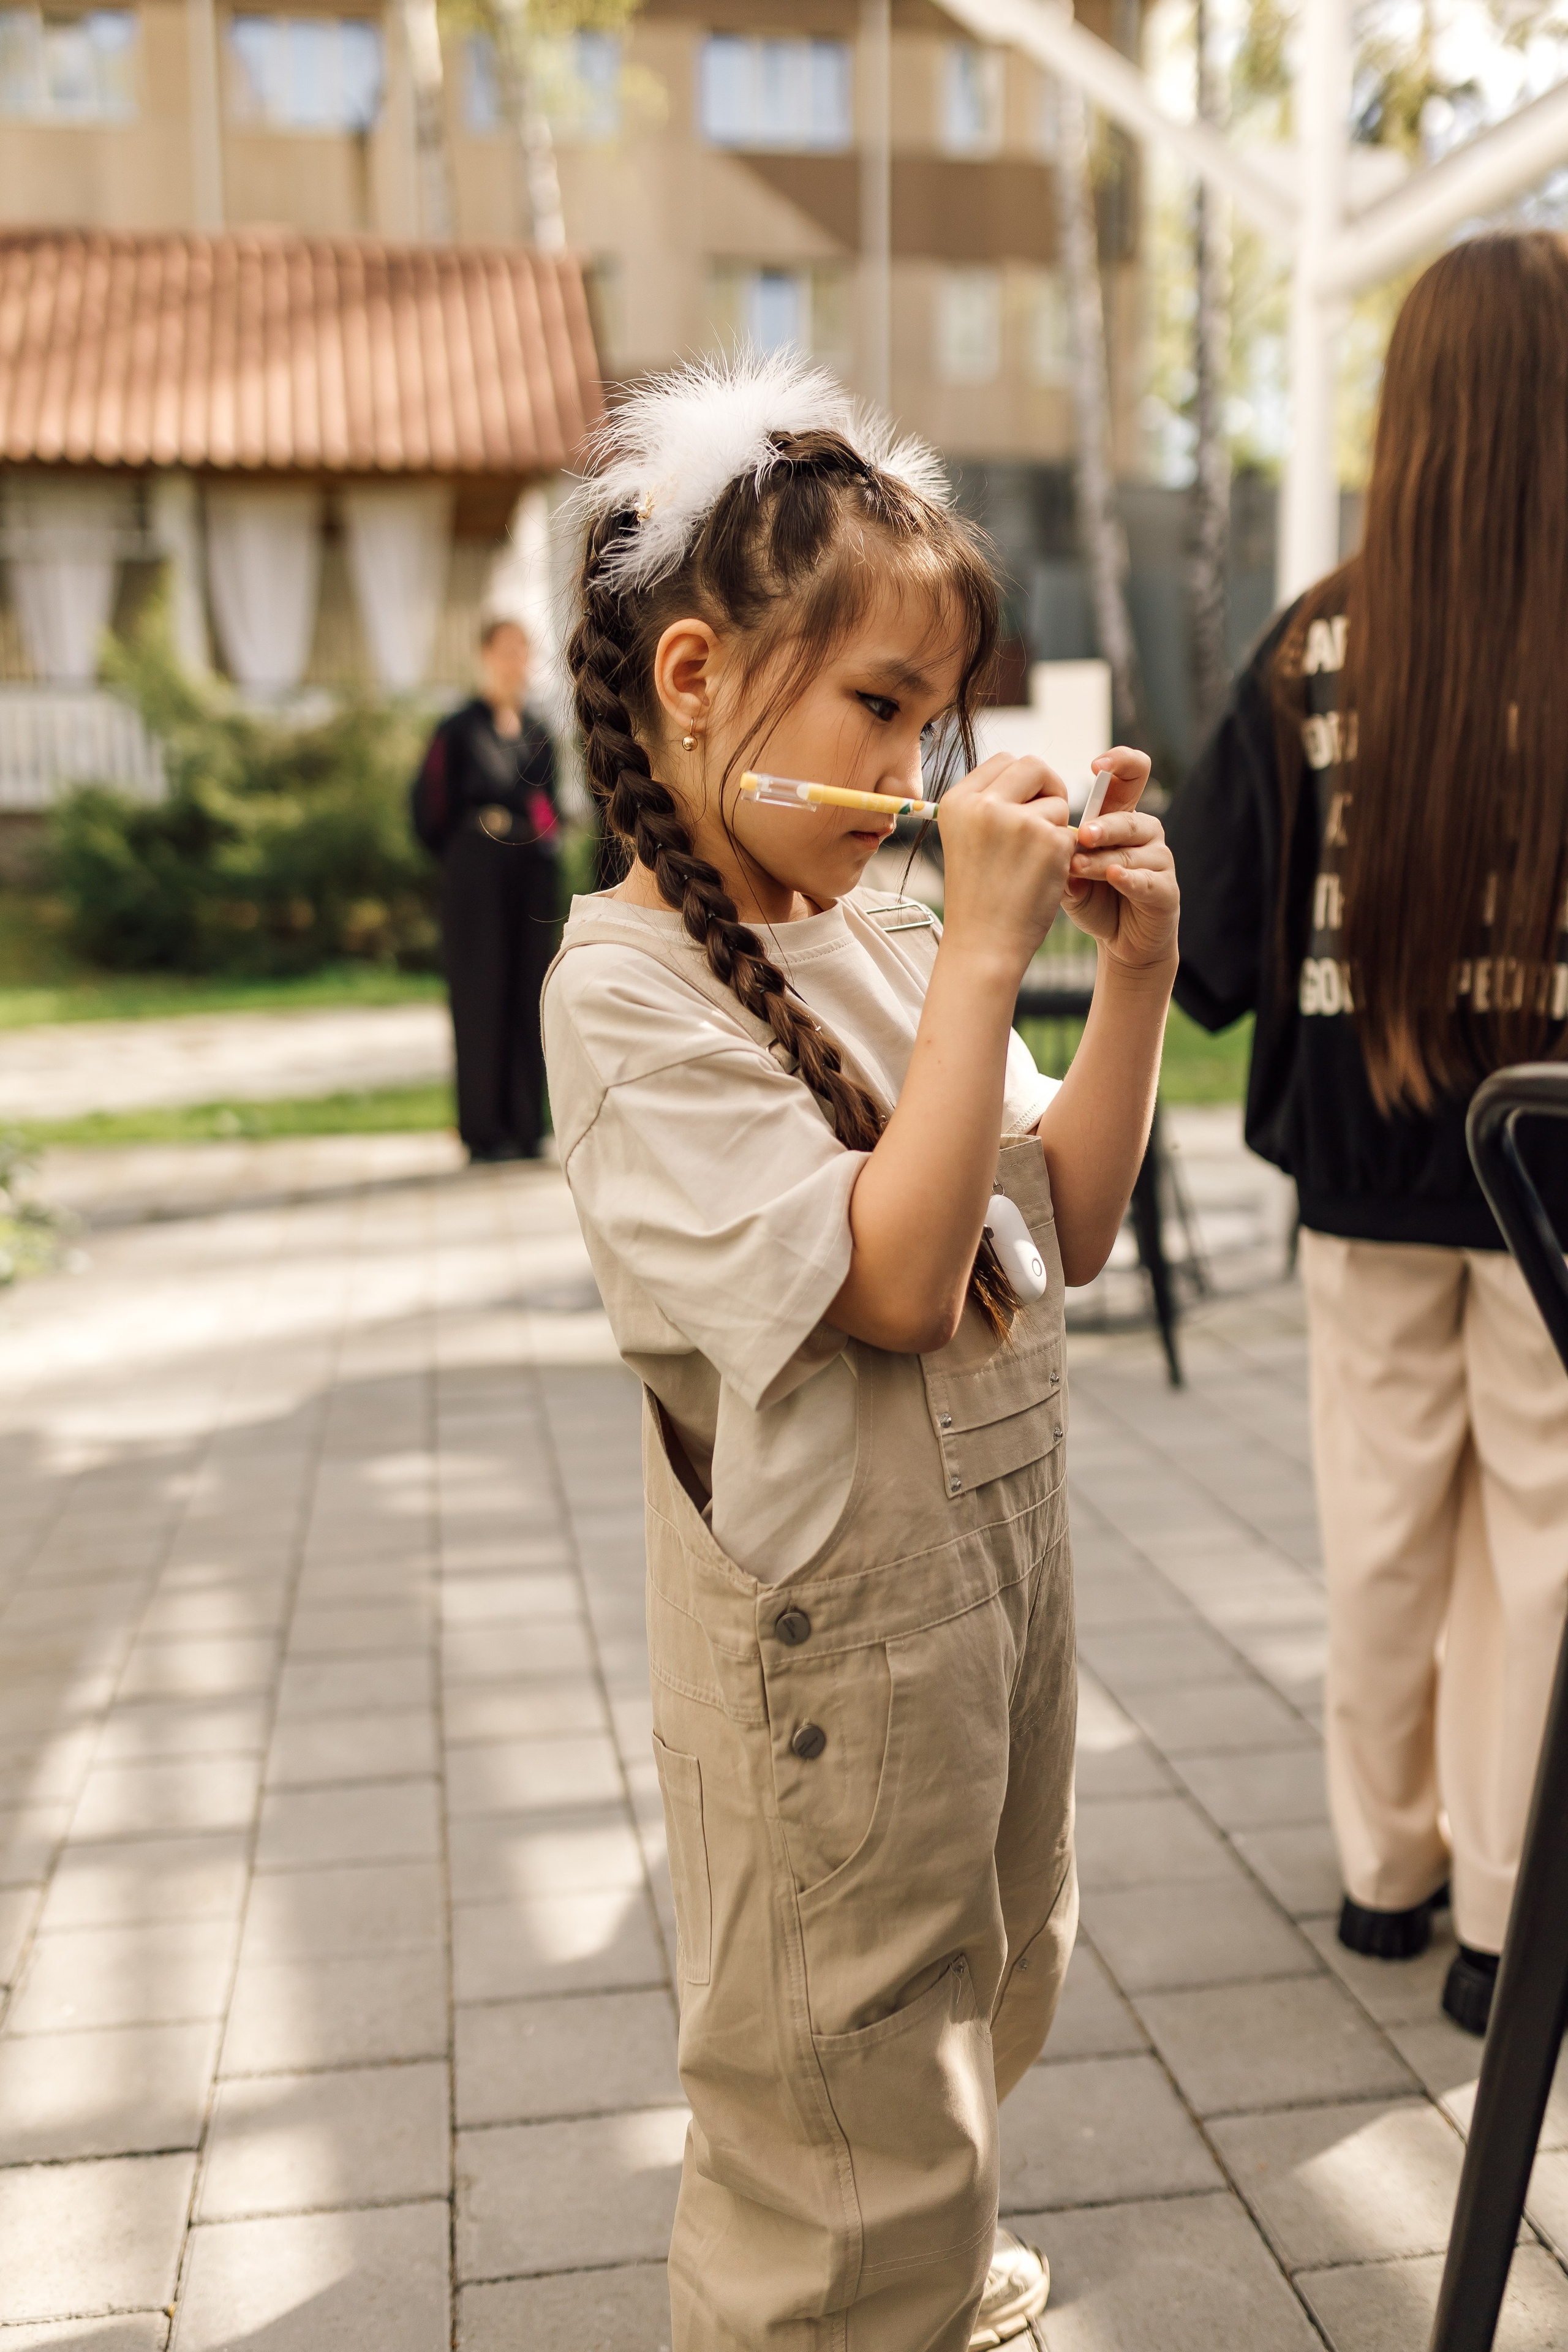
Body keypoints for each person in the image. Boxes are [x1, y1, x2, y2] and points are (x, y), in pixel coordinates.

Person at [541, 351, 1179, 2351]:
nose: (916, 766)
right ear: (702, 681)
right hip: (830, 1651)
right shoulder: (624, 995)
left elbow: (1057, 1214)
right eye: (881, 707)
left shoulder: (881, 931)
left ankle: (945, 2300)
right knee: (834, 2140)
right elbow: (897, 1285)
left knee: (974, 2023)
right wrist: (989, 945)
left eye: (936, 714)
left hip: (987, 1607)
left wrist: (1129, 973)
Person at [1168, 232, 1568, 2038]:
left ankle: (1383, 1876)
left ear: (1407, 416)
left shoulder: (1309, 645)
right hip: (1554, 1173)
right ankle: (1509, 1916)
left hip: (1366, 1150)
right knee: (1544, 1541)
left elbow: (1213, 931)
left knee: (1381, 1520)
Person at [411, 615, 560, 1161]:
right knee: (481, 996)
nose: (515, 660)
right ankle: (483, 1129)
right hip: (476, 889)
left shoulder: (539, 733)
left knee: (528, 994)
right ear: (484, 656)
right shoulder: (457, 730)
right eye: (505, 650)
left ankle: (525, 1126)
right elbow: (429, 812)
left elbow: (550, 810)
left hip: (530, 886)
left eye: (523, 650)